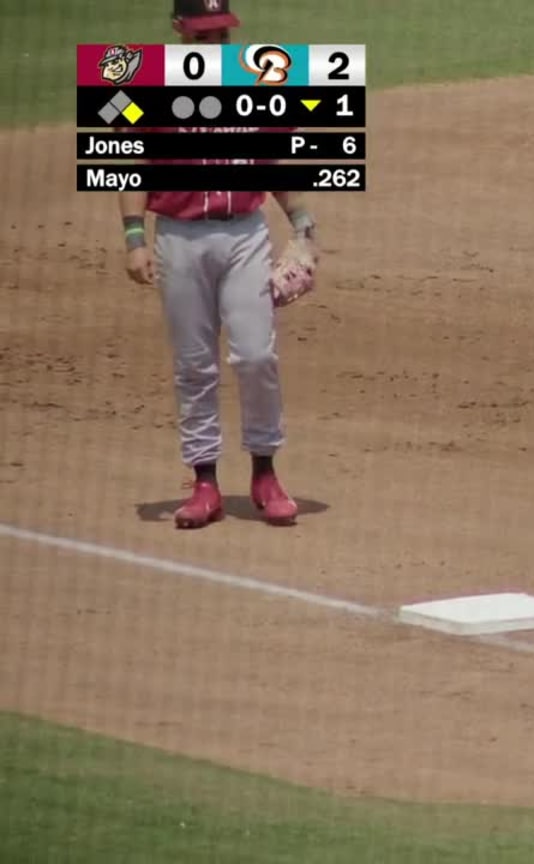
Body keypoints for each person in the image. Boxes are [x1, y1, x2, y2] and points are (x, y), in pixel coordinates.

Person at [119, 0, 316, 529]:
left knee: (255, 356)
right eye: (203, 36)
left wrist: (303, 228)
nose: (214, 46)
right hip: (179, 239)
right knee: (193, 364)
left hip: (244, 234)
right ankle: (204, 482)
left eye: (220, 35)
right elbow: (134, 164)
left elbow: (275, 164)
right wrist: (134, 237)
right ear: (180, 31)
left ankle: (265, 474)